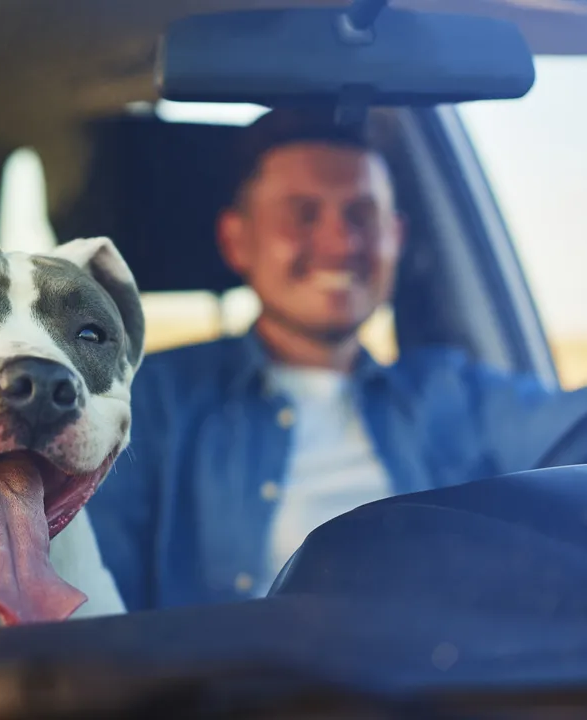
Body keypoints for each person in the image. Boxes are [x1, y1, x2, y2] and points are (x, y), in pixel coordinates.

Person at [86, 107, 587, 612]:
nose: (339, 243)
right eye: (303, 214)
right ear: (237, 240)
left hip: (451, 684)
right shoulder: (146, 403)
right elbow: (94, 608)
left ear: (397, 237)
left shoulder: (455, 394)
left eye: (362, 215)